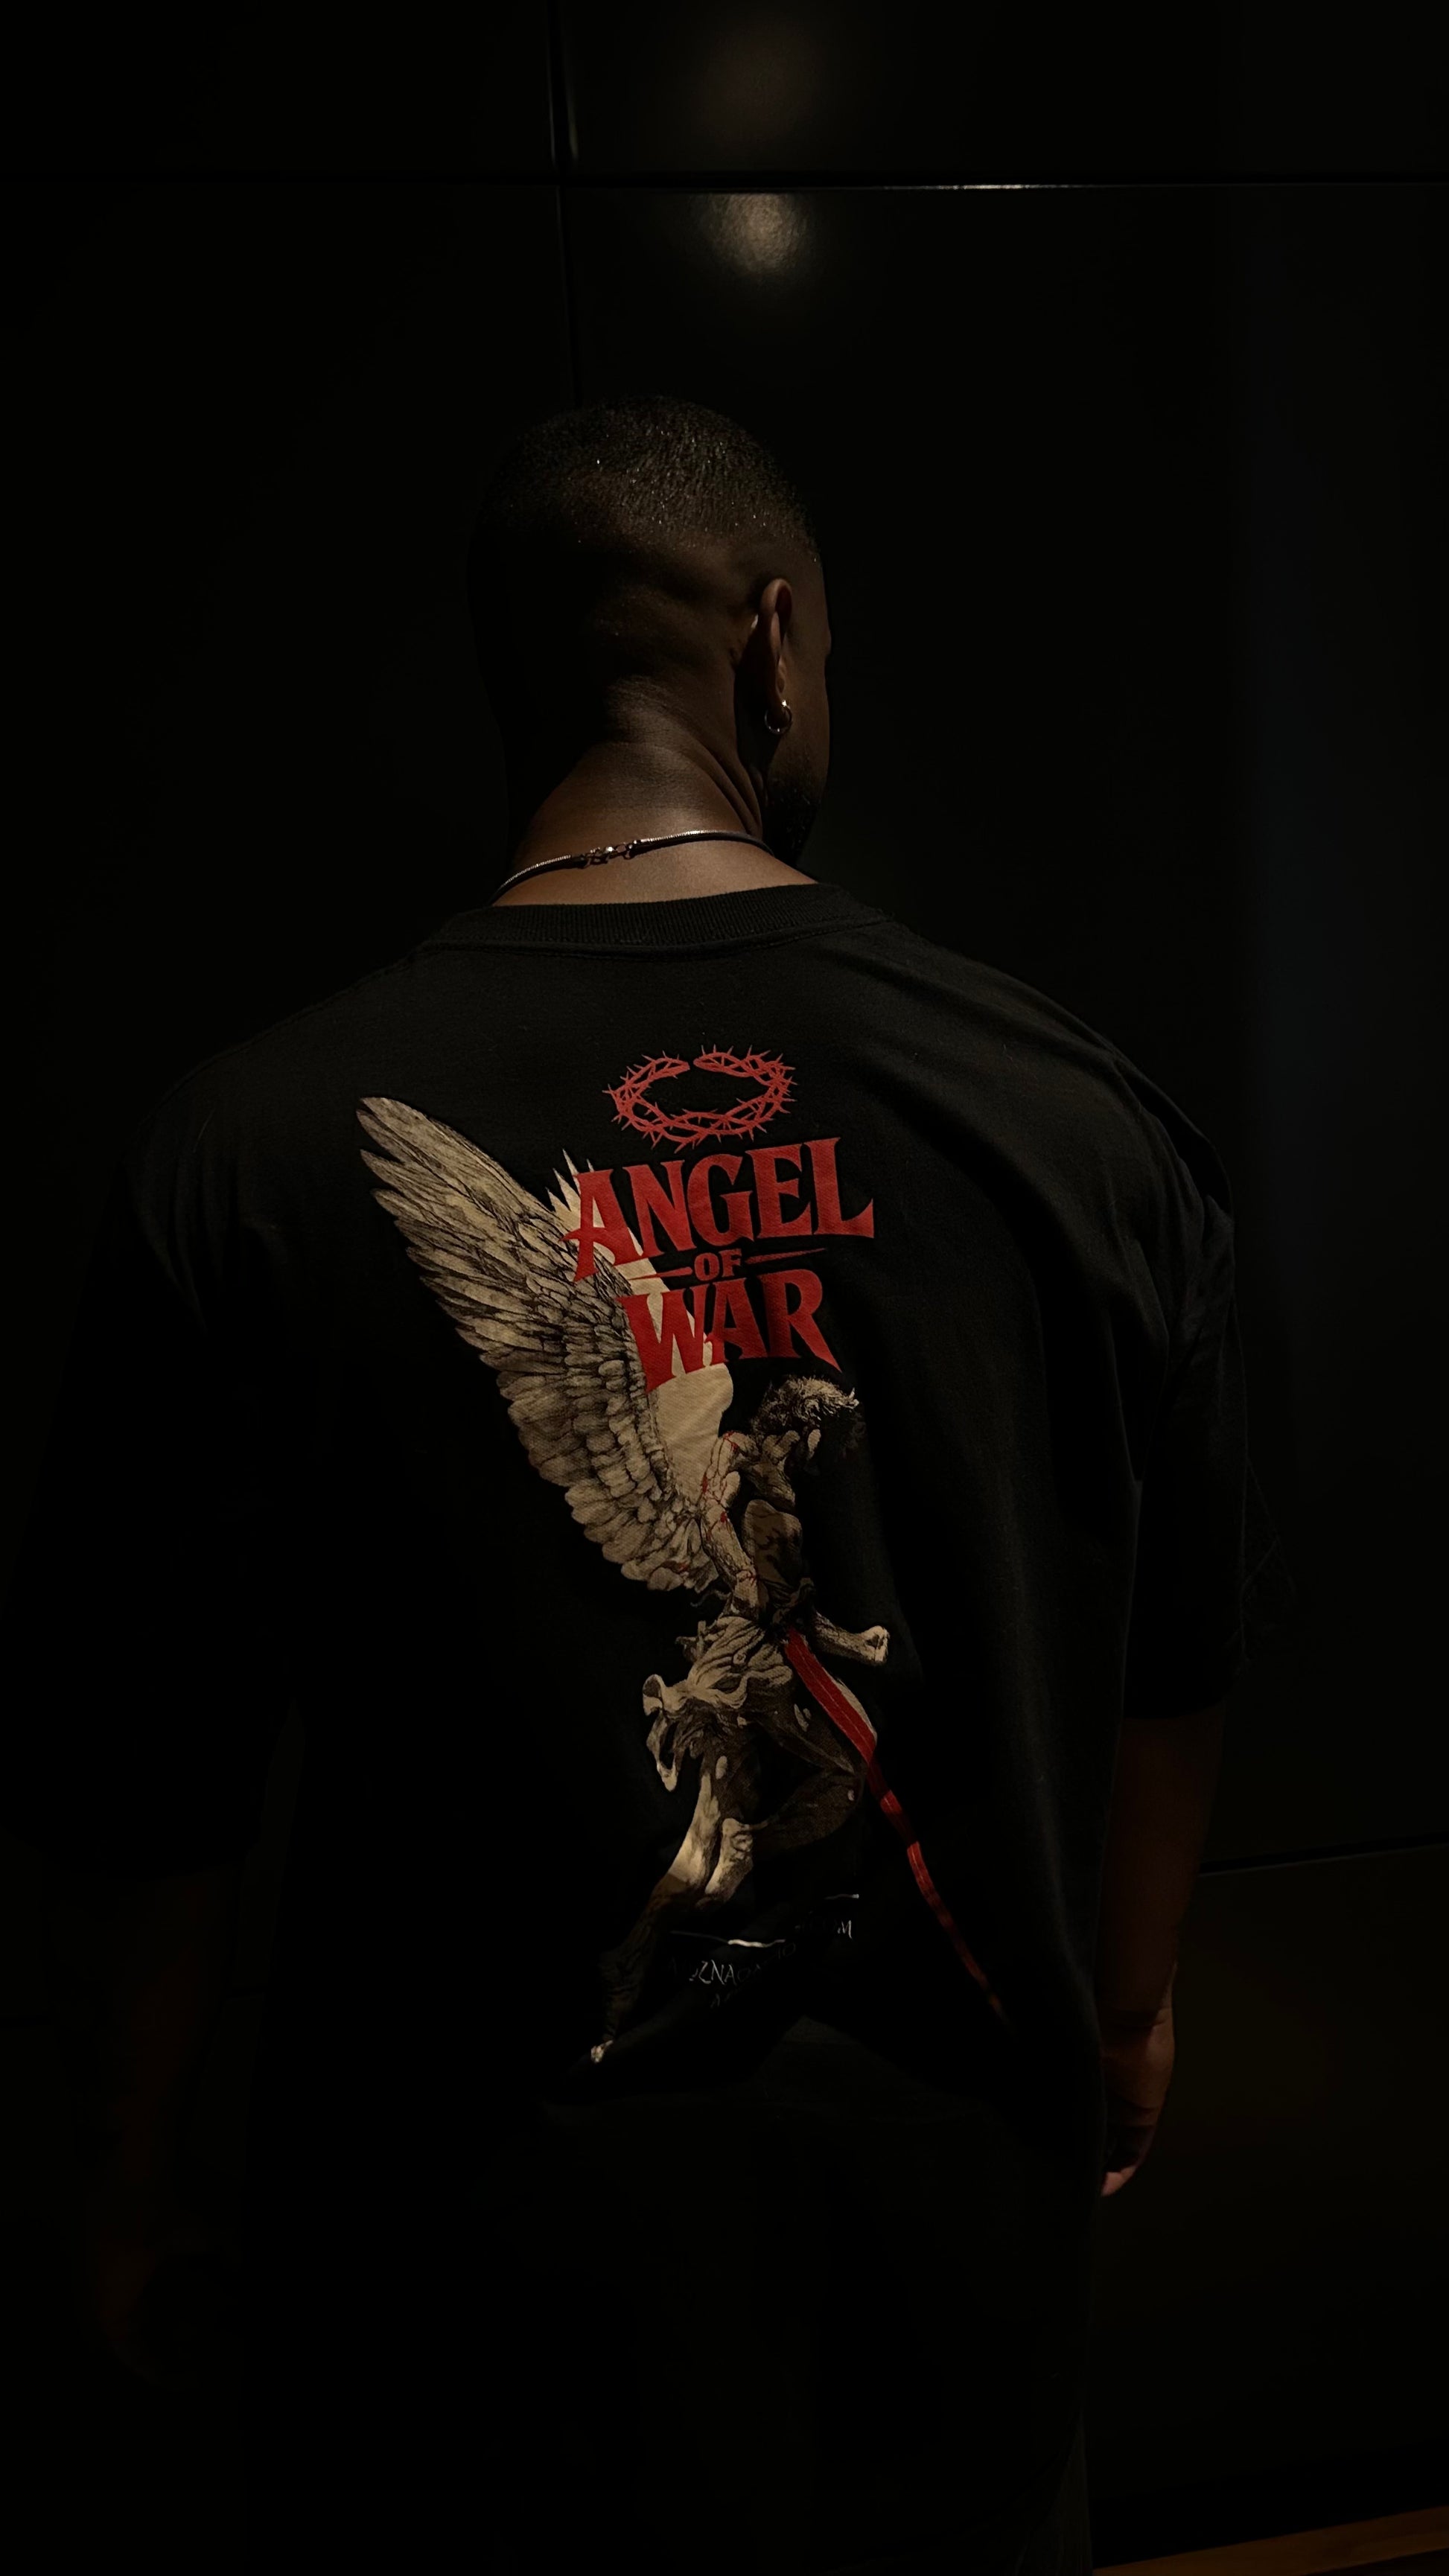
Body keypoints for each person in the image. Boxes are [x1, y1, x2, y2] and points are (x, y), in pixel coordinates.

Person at [2, 394, 1299, 2574]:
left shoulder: (246, 1153)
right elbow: (1179, 1650)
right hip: (944, 2275)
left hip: (469, 2306)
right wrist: (1129, 2003)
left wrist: (126, 2177)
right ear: (771, 648)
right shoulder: (1077, 1117)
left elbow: (143, 1782)